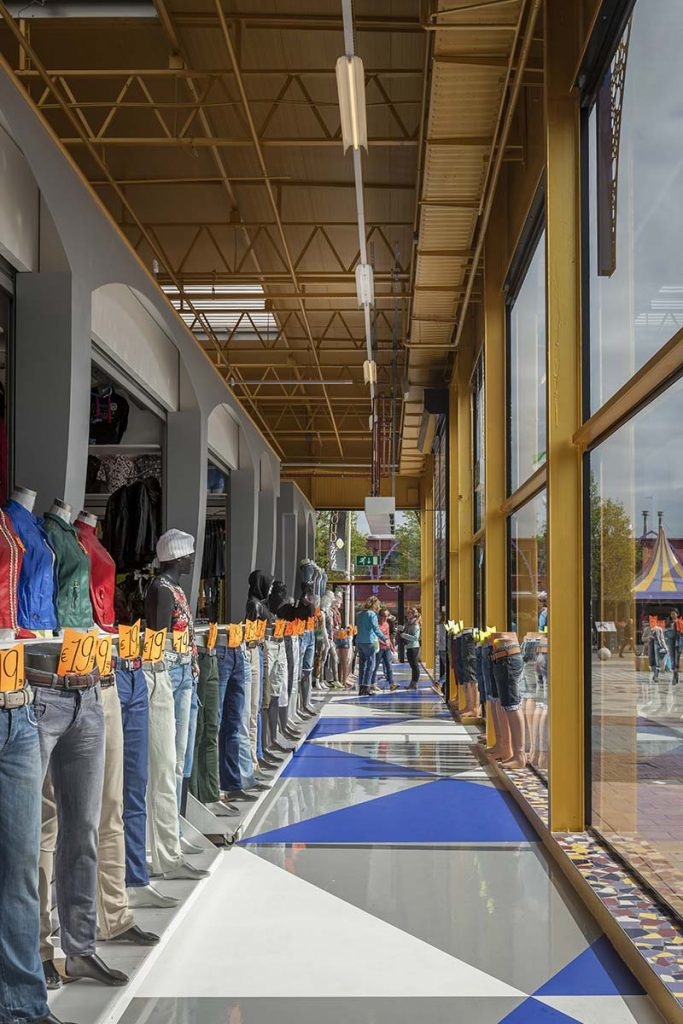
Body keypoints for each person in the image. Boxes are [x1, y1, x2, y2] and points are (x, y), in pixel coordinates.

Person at [355, 596, 386, 696]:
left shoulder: (360, 614)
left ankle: (361, 687)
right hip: (369, 641)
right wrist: (384, 638)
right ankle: (366, 687)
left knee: (362, 665)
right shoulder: (372, 614)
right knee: (370, 665)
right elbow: (376, 629)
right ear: (375, 605)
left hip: (359, 641)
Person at [371, 608, 398, 691]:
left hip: (386, 648)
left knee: (388, 666)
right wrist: (382, 642)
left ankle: (392, 683)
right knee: (375, 666)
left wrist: (391, 646)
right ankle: (372, 683)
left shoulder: (387, 624)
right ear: (379, 616)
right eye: (383, 616)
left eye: (387, 616)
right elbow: (375, 636)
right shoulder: (376, 624)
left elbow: (387, 636)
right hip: (378, 648)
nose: (385, 618)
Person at [400, 607, 422, 690]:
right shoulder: (408, 624)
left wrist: (404, 635)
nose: (407, 614)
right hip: (409, 646)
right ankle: (412, 683)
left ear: (413, 614)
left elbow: (415, 638)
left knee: (415, 665)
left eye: (409, 613)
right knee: (413, 666)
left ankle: (414, 683)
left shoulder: (415, 625)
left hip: (414, 647)